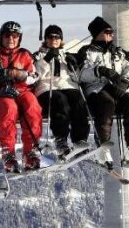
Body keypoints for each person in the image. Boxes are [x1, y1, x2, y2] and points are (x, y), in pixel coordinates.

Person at [78, 16, 129, 169]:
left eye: (112, 32)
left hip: (118, 86)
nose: (111, 35)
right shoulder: (86, 52)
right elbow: (80, 74)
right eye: (107, 32)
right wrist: (99, 71)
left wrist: (126, 81)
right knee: (106, 104)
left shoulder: (118, 52)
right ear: (97, 34)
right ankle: (103, 147)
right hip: (97, 88)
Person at [0, 21, 42, 172]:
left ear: (19, 38)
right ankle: (8, 152)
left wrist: (21, 75)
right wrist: (0, 90)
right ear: (1, 37)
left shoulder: (24, 55)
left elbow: (34, 76)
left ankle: (30, 151)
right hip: (1, 92)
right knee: (9, 108)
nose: (11, 39)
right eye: (8, 35)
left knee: (33, 106)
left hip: (22, 90)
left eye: (15, 36)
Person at [34, 24, 90, 159]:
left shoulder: (66, 55)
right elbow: (35, 74)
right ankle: (61, 140)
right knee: (59, 101)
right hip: (47, 88)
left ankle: (80, 139)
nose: (54, 40)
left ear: (61, 39)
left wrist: (74, 65)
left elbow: (76, 77)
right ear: (46, 39)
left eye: (57, 37)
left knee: (78, 100)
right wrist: (46, 60)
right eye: (51, 37)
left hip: (68, 86)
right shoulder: (38, 55)